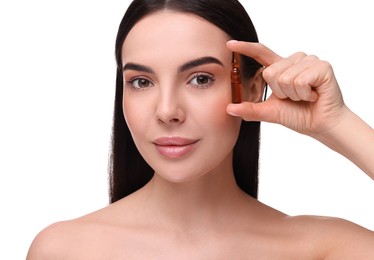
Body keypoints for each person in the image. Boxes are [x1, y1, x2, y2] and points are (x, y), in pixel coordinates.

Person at [27, 0, 374, 258]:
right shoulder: (63, 250)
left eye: (200, 78)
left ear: (253, 90)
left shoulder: (320, 251)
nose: (167, 111)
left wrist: (336, 123)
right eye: (141, 82)